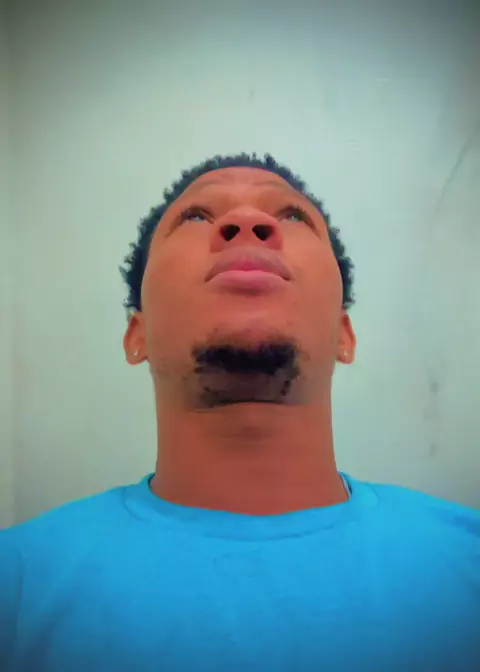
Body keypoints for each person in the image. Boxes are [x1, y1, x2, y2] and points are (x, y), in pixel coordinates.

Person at [1, 153, 479, 671]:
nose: (248, 222)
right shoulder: (17, 582)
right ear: (137, 334)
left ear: (345, 334)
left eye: (292, 215)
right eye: (196, 216)